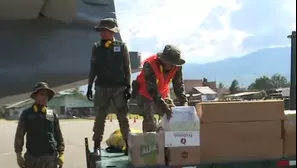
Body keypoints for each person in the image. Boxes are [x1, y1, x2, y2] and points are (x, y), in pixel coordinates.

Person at [86, 18, 131, 159]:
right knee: (99, 118)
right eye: (101, 30)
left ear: (112, 32)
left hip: (119, 87)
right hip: (101, 87)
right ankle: (96, 146)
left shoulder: (122, 46)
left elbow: (127, 68)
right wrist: (89, 86)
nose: (103, 33)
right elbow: (93, 68)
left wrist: (128, 86)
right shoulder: (96, 47)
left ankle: (129, 146)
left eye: (106, 30)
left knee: (123, 118)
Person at [132, 44, 188, 132]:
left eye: (174, 64)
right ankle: (150, 140)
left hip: (162, 92)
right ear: (163, 60)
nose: (172, 66)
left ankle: (169, 141)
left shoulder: (176, 66)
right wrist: (164, 107)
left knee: (173, 115)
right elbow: (152, 90)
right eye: (170, 63)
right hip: (145, 92)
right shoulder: (150, 64)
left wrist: (184, 103)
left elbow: (178, 85)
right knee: (149, 119)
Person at [14, 82, 65, 168]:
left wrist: (61, 154)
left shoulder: (53, 114)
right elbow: (19, 135)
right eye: (42, 94)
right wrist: (18, 154)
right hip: (32, 158)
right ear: (35, 96)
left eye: (47, 95)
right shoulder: (26, 114)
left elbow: (58, 135)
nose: (45, 97)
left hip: (50, 158)